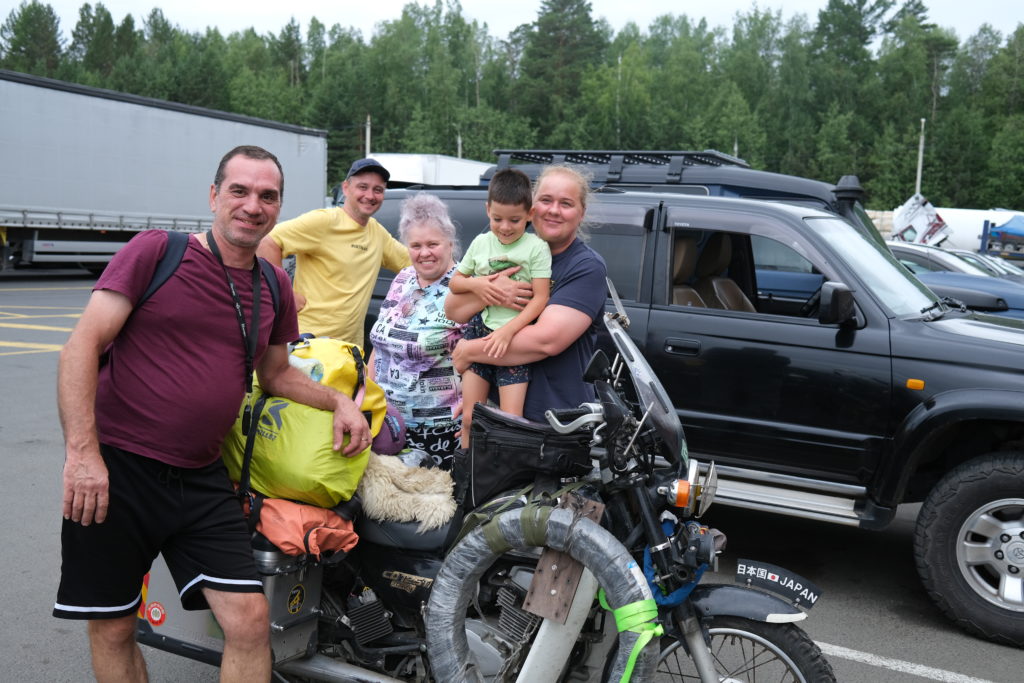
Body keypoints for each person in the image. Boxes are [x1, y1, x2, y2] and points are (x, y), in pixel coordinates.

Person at [55, 145, 372, 683]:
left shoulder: (274, 284)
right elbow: (81, 346)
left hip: (202, 477)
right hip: (119, 469)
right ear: (213, 196)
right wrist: (83, 455)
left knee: (249, 621)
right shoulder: (158, 252)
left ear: (279, 207)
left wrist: (340, 400)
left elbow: (277, 374)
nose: (252, 206)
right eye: (239, 191)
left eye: (267, 196)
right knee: (113, 627)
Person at [447, 165, 608, 423]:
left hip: (554, 419)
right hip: (495, 409)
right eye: (546, 200)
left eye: (566, 203)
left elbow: (545, 341)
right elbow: (453, 309)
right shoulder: (508, 243)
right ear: (532, 207)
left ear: (581, 212)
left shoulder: (586, 267)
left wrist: (469, 350)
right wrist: (490, 289)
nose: (554, 210)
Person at [257, 157, 411, 344]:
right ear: (346, 188)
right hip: (309, 342)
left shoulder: (377, 233)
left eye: (377, 190)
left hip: (348, 348)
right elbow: (267, 242)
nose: (370, 195)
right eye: (363, 187)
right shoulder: (324, 221)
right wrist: (285, 294)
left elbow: (414, 262)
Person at [449, 168, 551, 444]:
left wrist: (508, 331)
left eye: (514, 220)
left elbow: (540, 298)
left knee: (510, 422)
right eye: (497, 219)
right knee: (469, 418)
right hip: (480, 331)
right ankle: (466, 468)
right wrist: (480, 285)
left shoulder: (536, 248)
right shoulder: (481, 243)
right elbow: (456, 282)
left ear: (530, 214)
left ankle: (505, 471)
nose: (505, 227)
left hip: (515, 339)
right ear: (487, 210)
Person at [368, 193, 467, 470]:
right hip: (387, 424)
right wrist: (366, 398)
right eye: (416, 245)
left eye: (433, 244)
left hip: (440, 432)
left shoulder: (465, 285)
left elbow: (479, 357)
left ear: (450, 243)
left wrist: (474, 409)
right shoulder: (403, 278)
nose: (424, 253)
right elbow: (380, 345)